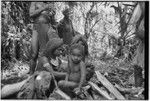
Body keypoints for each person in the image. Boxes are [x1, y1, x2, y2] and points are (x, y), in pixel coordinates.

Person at [29, 2, 58, 74]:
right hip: (36, 27)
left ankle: (42, 73)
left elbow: (52, 20)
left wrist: (52, 14)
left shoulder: (50, 4)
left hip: (46, 28)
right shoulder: (34, 2)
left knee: (44, 52)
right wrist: (44, 8)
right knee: (34, 53)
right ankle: (31, 74)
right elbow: (31, 14)